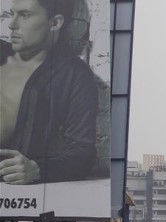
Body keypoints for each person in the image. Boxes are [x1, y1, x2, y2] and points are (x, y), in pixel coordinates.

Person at [0, 0, 98, 184]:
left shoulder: (74, 74)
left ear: (55, 23)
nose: (11, 24)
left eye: (24, 15)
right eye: (11, 14)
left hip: (12, 196)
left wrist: (37, 170)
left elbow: (82, 154)